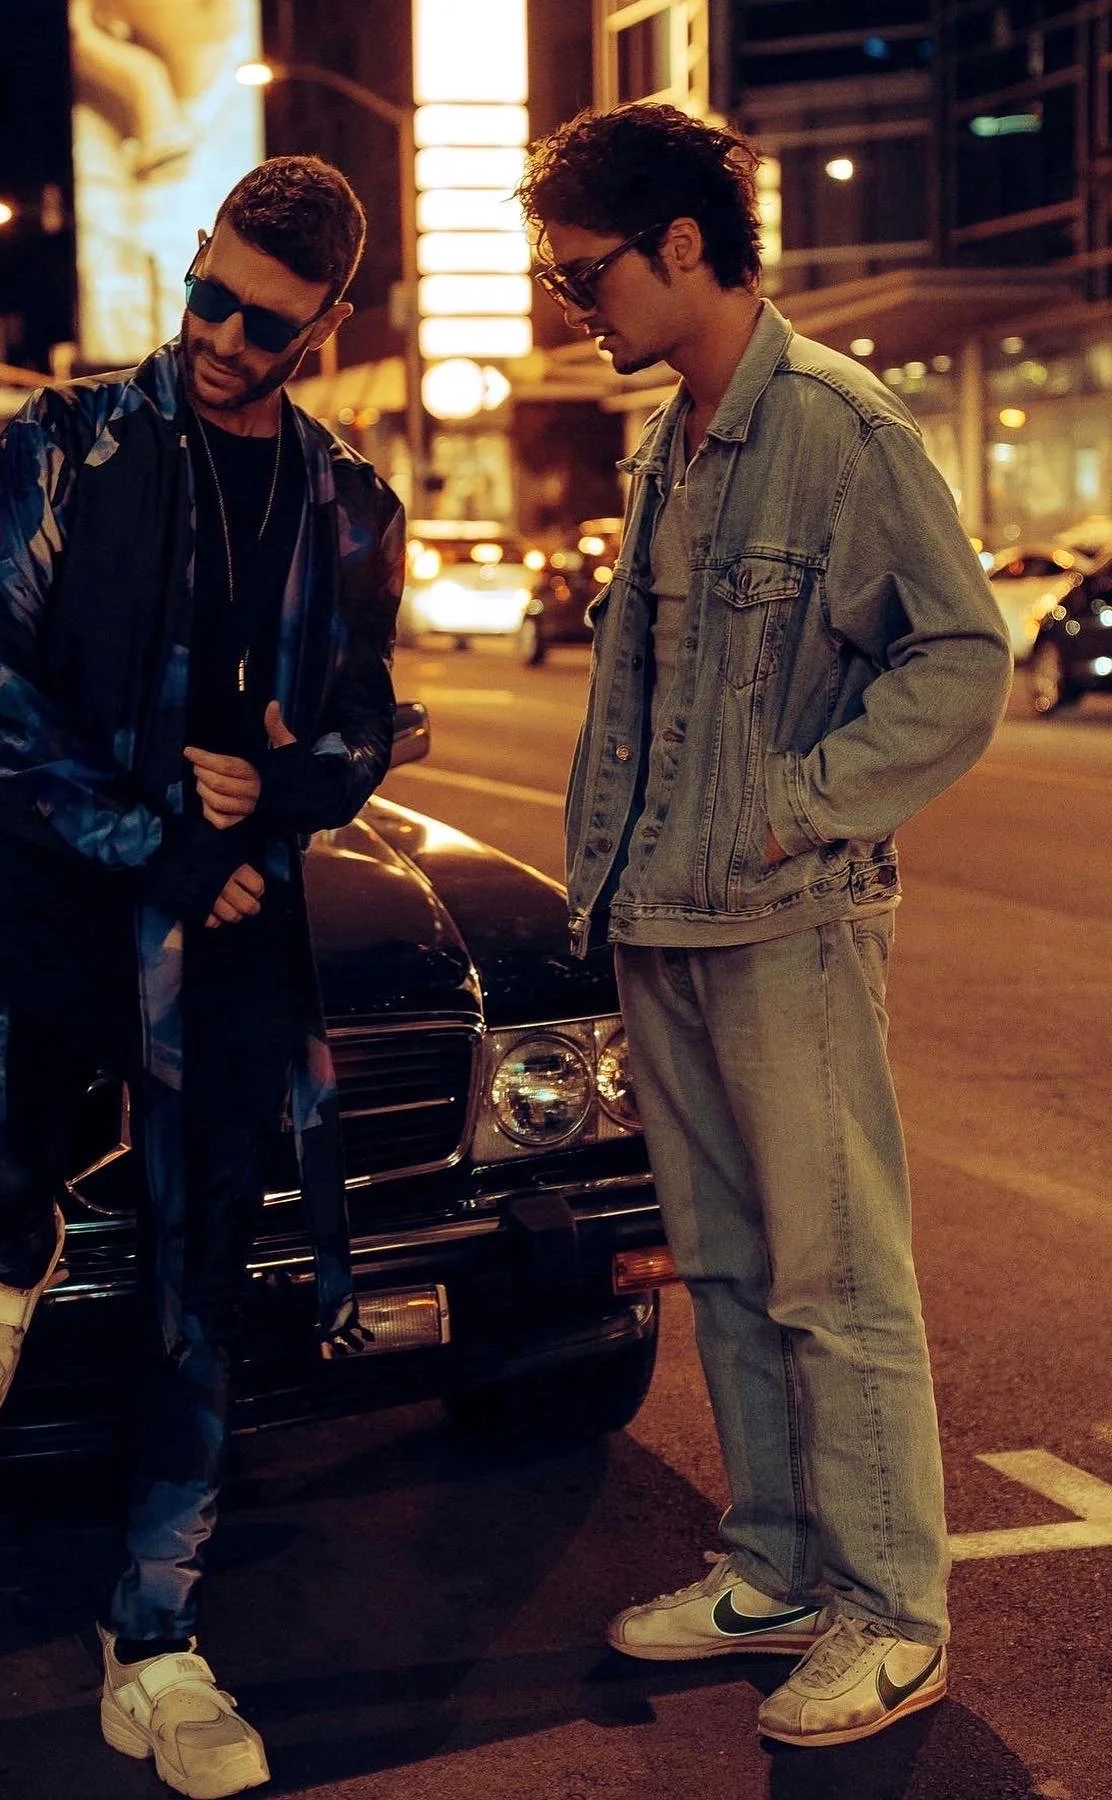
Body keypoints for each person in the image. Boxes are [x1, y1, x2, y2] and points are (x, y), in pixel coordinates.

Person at [517, 103, 1011, 1750]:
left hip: (786, 919)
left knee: (836, 1277)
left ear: (681, 248)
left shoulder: (839, 427)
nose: (566, 299)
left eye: (586, 270)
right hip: (660, 917)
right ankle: (779, 1567)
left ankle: (892, 1613)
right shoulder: (670, 434)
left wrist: (806, 801)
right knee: (726, 1269)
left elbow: (959, 656)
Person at [0, 154, 403, 1798]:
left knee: (204, 1280)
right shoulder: (66, 441)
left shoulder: (347, 502)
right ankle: (6, 1245)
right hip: (61, 896)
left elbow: (357, 723)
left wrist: (279, 787)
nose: (215, 333)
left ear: (326, 323)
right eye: (204, 291)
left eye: (261, 320)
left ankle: (155, 1636)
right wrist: (166, 827)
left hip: (238, 923)